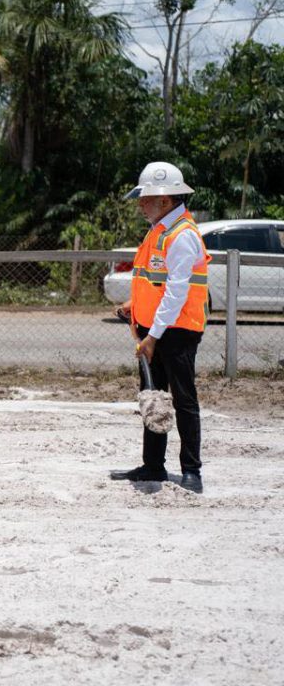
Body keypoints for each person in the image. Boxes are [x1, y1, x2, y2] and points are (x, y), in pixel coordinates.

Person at [110, 162, 210, 494]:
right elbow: (154, 283)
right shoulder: (161, 230)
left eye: (145, 199)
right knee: (153, 398)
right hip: (156, 327)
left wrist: (153, 337)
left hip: (176, 331)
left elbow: (177, 292)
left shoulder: (181, 235)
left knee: (183, 399)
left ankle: (191, 471)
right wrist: (133, 307)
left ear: (165, 200)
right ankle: (153, 466)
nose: (140, 205)